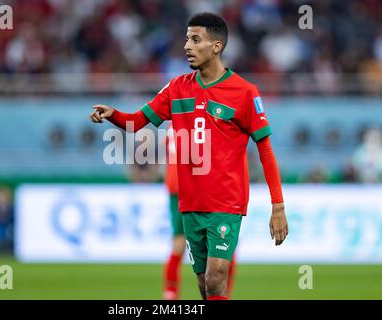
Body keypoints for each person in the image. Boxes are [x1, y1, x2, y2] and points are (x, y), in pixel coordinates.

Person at [89, 12, 288, 300]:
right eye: (186, 39)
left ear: (216, 46)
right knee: (205, 285)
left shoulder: (244, 92)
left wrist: (278, 206)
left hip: (227, 203)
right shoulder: (177, 88)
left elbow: (265, 150)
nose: (187, 46)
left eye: (196, 40)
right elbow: (136, 122)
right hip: (190, 204)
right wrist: (113, 115)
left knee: (217, 276)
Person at [163, 122, 237, 300]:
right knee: (224, 243)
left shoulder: (170, 125)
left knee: (179, 243)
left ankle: (170, 293)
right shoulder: (198, 121)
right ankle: (225, 292)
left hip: (175, 186)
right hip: (198, 187)